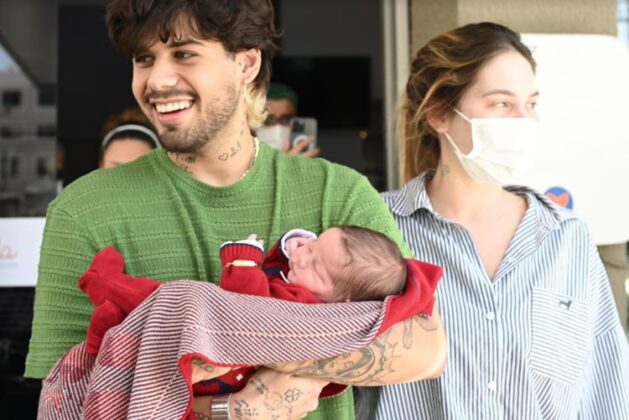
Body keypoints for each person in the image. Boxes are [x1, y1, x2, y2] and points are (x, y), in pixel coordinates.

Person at [25, 1, 447, 419]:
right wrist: (232, 408)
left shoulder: (337, 192)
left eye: (184, 53)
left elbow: (426, 349)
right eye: (144, 58)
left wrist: (211, 346)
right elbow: (68, 396)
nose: (158, 80)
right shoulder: (83, 209)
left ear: (246, 63)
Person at [374, 22, 629, 419]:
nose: (523, 122)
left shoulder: (567, 239)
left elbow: (607, 390)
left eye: (531, 104)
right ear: (439, 113)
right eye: (501, 104)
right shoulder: (380, 227)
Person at [76, 225, 441, 402]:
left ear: (344, 303)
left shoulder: (308, 312)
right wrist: (296, 246)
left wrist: (242, 258)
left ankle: (104, 284)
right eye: (310, 244)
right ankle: (107, 331)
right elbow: (283, 268)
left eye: (315, 265)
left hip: (223, 370)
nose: (300, 256)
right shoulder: (309, 284)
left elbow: (250, 309)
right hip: (216, 371)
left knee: (163, 298)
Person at [256, 82, 320, 156]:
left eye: (286, 120)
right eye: (268, 120)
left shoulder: (310, 163)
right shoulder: (242, 164)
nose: (278, 128)